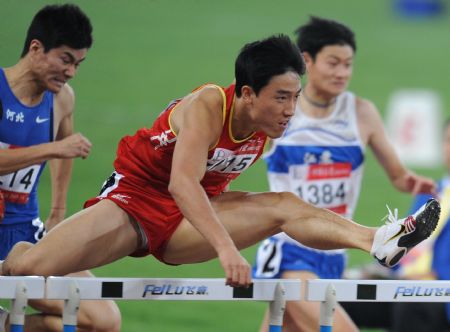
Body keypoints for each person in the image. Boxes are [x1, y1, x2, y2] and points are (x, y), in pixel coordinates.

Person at [0, 35, 440, 320]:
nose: (291, 110)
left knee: (284, 205)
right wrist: (227, 249)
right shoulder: (209, 105)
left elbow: (207, 195)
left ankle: (377, 240)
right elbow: (181, 183)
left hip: (190, 218)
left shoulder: (265, 131)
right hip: (135, 203)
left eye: (296, 97)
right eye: (281, 98)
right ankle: (18, 251)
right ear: (247, 93)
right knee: (26, 269)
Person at [252, 17, 438, 332]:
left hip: (335, 253)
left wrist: (410, 181)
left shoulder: (361, 112)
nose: (342, 73)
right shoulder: (283, 113)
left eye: (348, 64)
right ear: (306, 61)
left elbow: (396, 174)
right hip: (291, 252)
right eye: (333, 63)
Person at [0, 4, 121, 331]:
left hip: (26, 236)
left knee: (103, 321)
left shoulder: (62, 98)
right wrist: (52, 148)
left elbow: (66, 153)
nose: (71, 72)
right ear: (36, 48)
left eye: (78, 64)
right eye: (65, 60)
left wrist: (57, 211)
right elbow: (62, 148)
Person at [342, 119, 450, 332]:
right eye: (448, 140)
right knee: (340, 295)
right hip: (405, 283)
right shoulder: (431, 192)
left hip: (441, 293)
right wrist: (380, 271)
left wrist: (434, 276)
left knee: (412, 303)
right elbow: (411, 244)